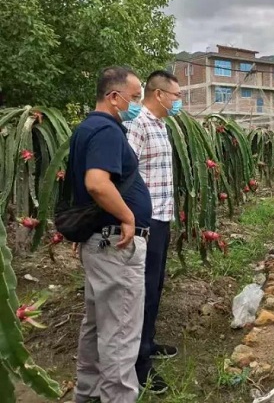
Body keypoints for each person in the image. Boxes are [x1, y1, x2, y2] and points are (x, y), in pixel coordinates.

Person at [72, 67, 152, 403]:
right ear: (114, 97)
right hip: (115, 245)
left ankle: (87, 395)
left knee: (96, 328)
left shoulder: (86, 128)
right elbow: (96, 182)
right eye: (135, 98)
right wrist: (128, 217)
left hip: (100, 245)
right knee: (120, 334)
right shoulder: (106, 130)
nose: (137, 104)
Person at [123, 70, 182, 394]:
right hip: (143, 221)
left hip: (161, 217)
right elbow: (125, 173)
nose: (179, 102)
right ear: (159, 94)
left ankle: (148, 341)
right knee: (140, 293)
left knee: (154, 287)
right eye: (176, 96)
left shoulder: (161, 124)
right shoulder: (138, 123)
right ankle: (138, 366)